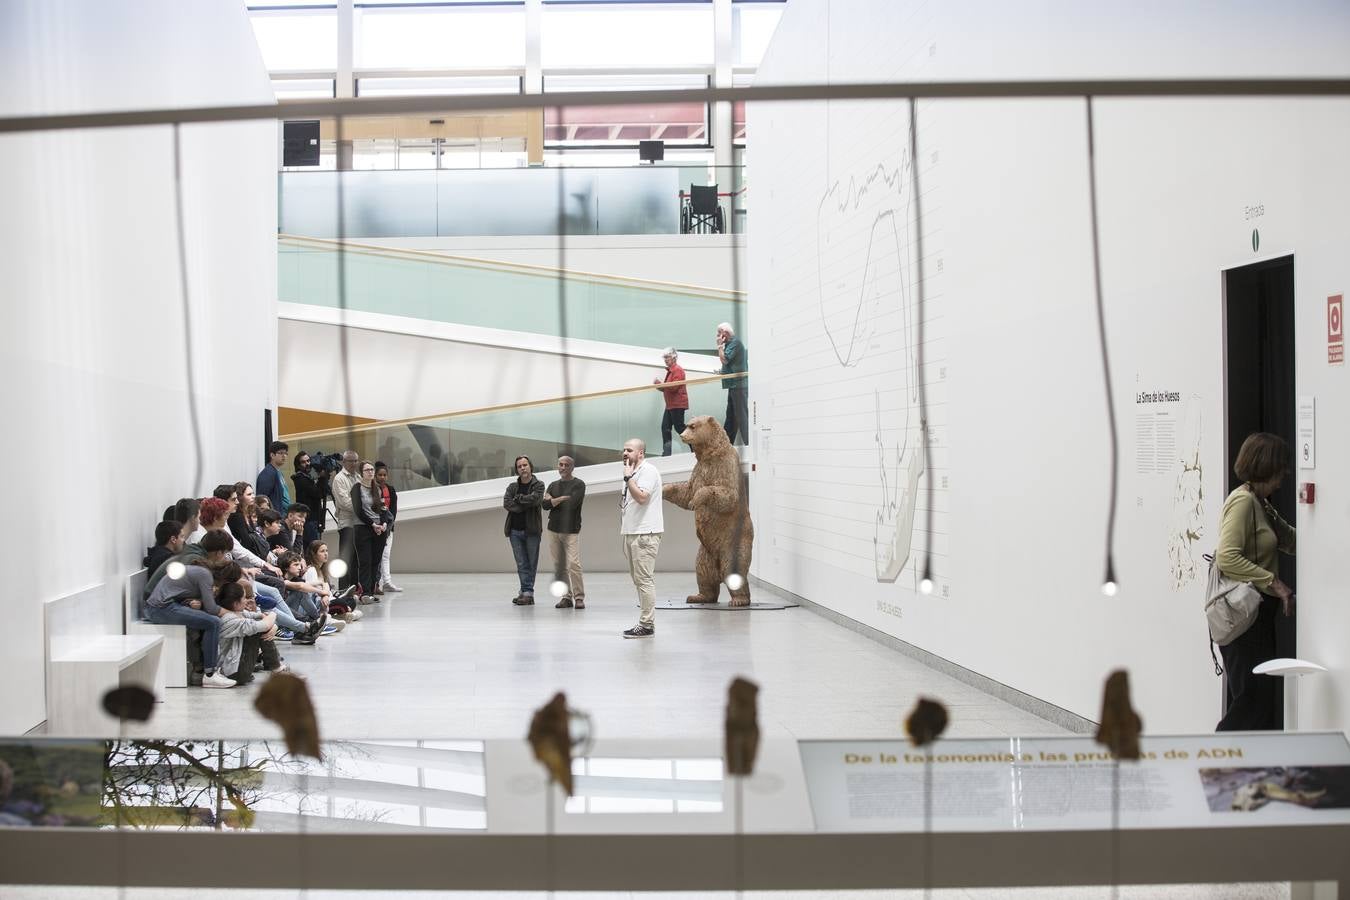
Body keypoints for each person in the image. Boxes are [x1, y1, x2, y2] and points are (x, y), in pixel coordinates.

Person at [1215, 432, 1297, 732]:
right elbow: (1227, 557)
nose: (1285, 474)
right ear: (1266, 466)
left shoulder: (1261, 503)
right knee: (1252, 700)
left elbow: (1291, 540)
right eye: (1281, 467)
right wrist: (1274, 582)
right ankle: (1213, 761)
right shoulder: (1243, 502)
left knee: (1257, 700)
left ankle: (1238, 767)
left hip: (1258, 617)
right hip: (1245, 618)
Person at [143, 542, 233, 688]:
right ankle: (210, 674)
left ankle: (206, 670)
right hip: (159, 608)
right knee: (213, 622)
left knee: (208, 621)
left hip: (162, 605)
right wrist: (233, 614)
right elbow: (211, 608)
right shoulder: (205, 575)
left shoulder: (201, 571)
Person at [619, 438, 663, 638]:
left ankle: (647, 625)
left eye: (629, 450)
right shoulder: (634, 472)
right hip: (633, 532)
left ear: (641, 453)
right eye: (624, 450)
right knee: (638, 580)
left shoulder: (648, 471)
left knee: (644, 580)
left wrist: (629, 479)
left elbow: (643, 498)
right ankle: (645, 622)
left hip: (645, 534)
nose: (625, 453)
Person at [214, 582, 278, 686]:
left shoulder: (236, 613)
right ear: (236, 604)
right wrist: (273, 615)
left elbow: (262, 616)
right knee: (257, 630)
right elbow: (264, 624)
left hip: (233, 670)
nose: (247, 601)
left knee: (259, 627)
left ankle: (275, 666)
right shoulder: (229, 619)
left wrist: (274, 626)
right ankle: (276, 667)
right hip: (233, 673)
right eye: (244, 598)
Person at [544, 456, 586, 610]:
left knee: (573, 564)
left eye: (566, 465)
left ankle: (579, 597)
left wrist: (553, 500)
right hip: (553, 529)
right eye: (560, 465)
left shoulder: (579, 485)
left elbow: (572, 504)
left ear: (572, 468)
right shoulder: (553, 485)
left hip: (571, 530)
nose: (562, 467)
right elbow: (544, 505)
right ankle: (566, 597)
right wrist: (561, 499)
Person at [503, 455, 545, 606]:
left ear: (530, 466)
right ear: (517, 470)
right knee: (521, 563)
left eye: (525, 465)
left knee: (531, 563)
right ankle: (525, 592)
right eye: (520, 466)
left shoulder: (539, 485)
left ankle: (527, 592)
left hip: (532, 531)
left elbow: (536, 500)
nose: (523, 468)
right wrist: (524, 502)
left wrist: (519, 499)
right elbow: (507, 503)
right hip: (515, 531)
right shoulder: (512, 487)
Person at [350, 460, 390, 601]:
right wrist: (373, 524)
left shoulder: (377, 488)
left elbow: (383, 508)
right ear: (361, 473)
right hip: (363, 528)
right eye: (367, 470)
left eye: (372, 469)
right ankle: (365, 592)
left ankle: (372, 591)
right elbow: (358, 511)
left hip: (379, 529)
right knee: (365, 561)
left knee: (376, 560)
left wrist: (384, 523)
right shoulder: (357, 488)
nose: (371, 472)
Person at [331, 450, 361, 592]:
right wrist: (362, 509)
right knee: (345, 559)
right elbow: (345, 502)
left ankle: (355, 588)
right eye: (350, 461)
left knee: (356, 559)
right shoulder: (339, 478)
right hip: (347, 524)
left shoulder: (358, 477)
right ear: (344, 462)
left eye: (356, 461)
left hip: (359, 524)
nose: (354, 463)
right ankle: (343, 590)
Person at [716, 322, 749, 446]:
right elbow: (730, 364)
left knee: (741, 416)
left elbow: (725, 359)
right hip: (734, 386)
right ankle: (725, 445)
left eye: (719, 333)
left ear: (725, 333)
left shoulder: (735, 343)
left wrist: (719, 346)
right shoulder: (731, 344)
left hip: (739, 386)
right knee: (731, 417)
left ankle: (748, 444)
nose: (717, 336)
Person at [653, 348, 690, 457]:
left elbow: (673, 387)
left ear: (674, 357)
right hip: (670, 405)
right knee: (665, 428)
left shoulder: (677, 370)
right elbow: (667, 389)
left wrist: (660, 384)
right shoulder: (670, 371)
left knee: (679, 428)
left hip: (677, 405)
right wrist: (659, 386)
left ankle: (695, 447)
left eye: (667, 357)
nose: (665, 360)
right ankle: (667, 454)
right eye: (664, 358)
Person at [374, 462, 402, 592]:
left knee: (386, 555)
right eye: (380, 475)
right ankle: (375, 583)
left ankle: (387, 581)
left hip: (389, 527)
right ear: (375, 475)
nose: (382, 477)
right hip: (375, 527)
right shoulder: (372, 489)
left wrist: (389, 525)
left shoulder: (391, 490)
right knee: (377, 556)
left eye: (384, 475)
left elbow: (394, 510)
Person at [292, 451, 329, 547]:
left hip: (313, 519)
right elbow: (318, 493)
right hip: (309, 520)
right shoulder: (301, 479)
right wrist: (322, 478)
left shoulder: (306, 477)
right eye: (303, 462)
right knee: (314, 548)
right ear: (298, 465)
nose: (307, 464)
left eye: (308, 461)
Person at [256, 441, 292, 513]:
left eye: (286, 453)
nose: (284, 456)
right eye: (281, 453)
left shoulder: (278, 472)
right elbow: (262, 499)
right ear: (272, 455)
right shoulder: (268, 473)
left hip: (283, 515)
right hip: (275, 516)